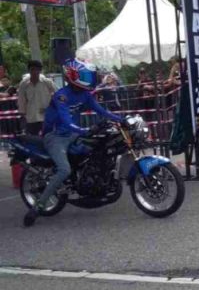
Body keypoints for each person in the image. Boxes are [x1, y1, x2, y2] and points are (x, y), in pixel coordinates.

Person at [23, 58, 124, 227]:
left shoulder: (84, 94)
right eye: (85, 76)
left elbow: (101, 110)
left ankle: (90, 184)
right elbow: (66, 120)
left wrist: (122, 120)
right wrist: (84, 130)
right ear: (73, 76)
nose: (89, 79)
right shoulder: (61, 96)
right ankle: (38, 206)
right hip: (55, 137)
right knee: (64, 170)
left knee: (97, 150)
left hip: (73, 135)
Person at [17, 60, 56, 136]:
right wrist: (22, 114)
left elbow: (57, 96)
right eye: (32, 69)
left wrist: (51, 108)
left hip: (46, 117)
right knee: (33, 139)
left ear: (40, 71)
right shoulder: (24, 84)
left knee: (48, 138)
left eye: (37, 69)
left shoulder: (47, 82)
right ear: (29, 70)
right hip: (31, 117)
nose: (35, 72)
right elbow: (21, 100)